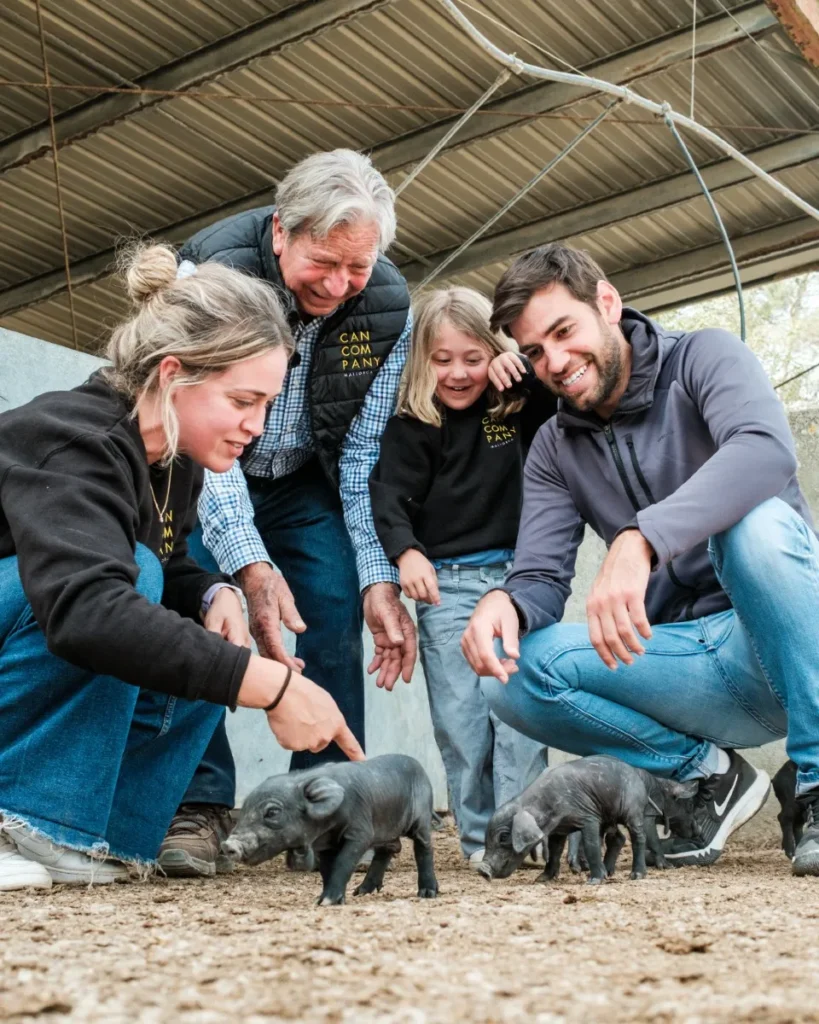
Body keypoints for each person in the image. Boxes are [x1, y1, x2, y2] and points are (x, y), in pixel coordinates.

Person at [0, 243, 363, 891]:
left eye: (267, 405)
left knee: (181, 608)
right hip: (41, 620)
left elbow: (167, 562)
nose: (256, 425)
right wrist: (272, 687)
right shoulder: (72, 438)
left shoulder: (176, 463)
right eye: (242, 401)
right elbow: (87, 608)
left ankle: (101, 833)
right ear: (173, 375)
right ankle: (21, 820)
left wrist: (210, 594)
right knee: (132, 583)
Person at [461, 242, 819, 876]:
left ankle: (817, 783)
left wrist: (640, 537)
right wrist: (506, 602)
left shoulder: (703, 356)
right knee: (508, 675)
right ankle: (706, 778)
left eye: (564, 332)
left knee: (754, 526)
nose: (557, 362)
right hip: (684, 661)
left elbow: (765, 451)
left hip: (775, 638)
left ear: (607, 302)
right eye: (535, 352)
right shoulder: (552, 446)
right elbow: (542, 576)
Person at [159, 148, 416, 878]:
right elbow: (200, 429)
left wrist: (377, 575)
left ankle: (325, 804)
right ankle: (198, 805)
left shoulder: (389, 306)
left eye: (356, 268)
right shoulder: (210, 275)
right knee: (196, 602)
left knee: (332, 601)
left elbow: (365, 450)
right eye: (322, 263)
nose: (338, 286)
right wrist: (248, 563)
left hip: (305, 477)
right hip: (202, 463)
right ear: (281, 233)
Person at [369, 287, 554, 867]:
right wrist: (406, 554)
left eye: (473, 358)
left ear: (494, 354)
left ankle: (526, 831)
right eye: (442, 359)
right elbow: (388, 498)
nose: (457, 373)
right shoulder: (414, 424)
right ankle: (480, 840)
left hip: (518, 582)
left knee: (521, 712)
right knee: (462, 720)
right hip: (445, 586)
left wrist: (520, 373)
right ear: (422, 359)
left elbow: (559, 416)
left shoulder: (516, 407)